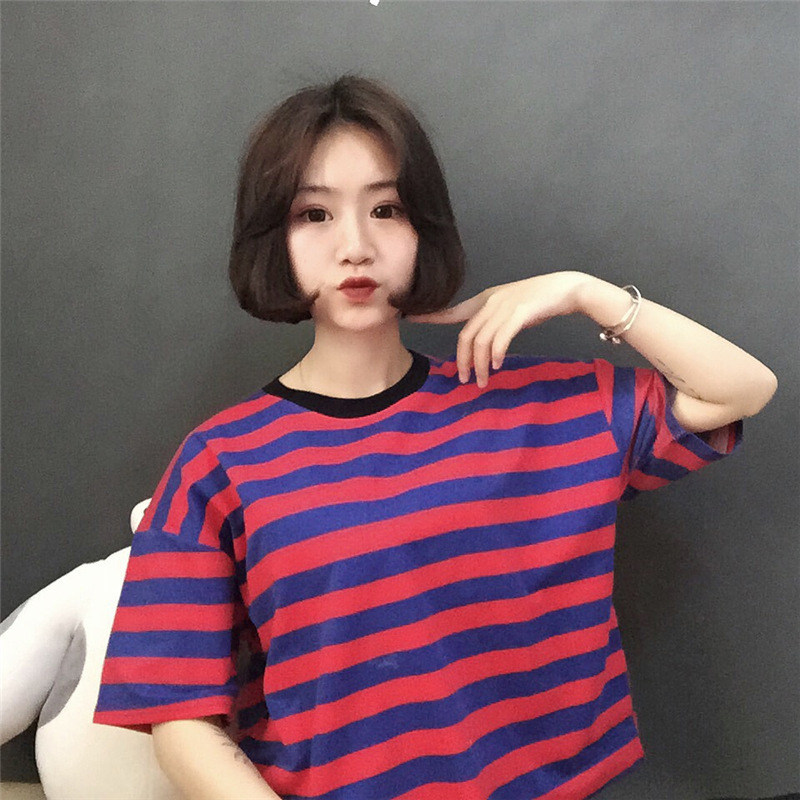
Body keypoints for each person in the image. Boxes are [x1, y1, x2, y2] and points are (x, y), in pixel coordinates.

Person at [93, 74, 777, 800]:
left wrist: (584, 292)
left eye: (385, 209)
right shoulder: (220, 462)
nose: (356, 246)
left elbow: (739, 389)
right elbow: (178, 712)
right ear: (274, 238)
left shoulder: (539, 408)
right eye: (313, 214)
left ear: (423, 226)